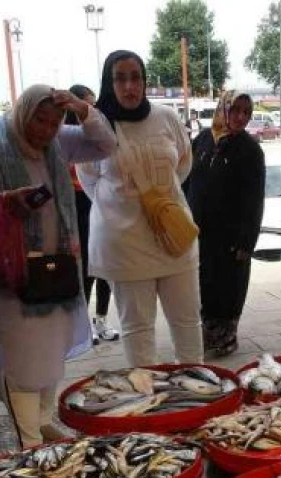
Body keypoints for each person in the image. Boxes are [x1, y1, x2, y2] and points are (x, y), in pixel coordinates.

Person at [0, 85, 116, 449]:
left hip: (55, 266)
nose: (45, 129)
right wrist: (5, 200)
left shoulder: (59, 142)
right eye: (39, 120)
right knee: (21, 353)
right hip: (11, 274)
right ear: (23, 112)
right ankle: (29, 440)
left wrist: (82, 110)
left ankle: (43, 422)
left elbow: (107, 145)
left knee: (51, 345)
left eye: (55, 121)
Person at [78, 50, 203, 366]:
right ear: (109, 82)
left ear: (145, 81)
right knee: (137, 331)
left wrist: (158, 201)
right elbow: (90, 181)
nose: (129, 86)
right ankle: (147, 406)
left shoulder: (166, 117)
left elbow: (184, 161)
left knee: (188, 325)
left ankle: (196, 400)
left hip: (174, 237)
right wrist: (126, 206)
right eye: (120, 78)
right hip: (126, 245)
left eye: (135, 77)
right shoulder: (98, 126)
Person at [186, 90, 266, 358]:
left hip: (232, 236)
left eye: (246, 112)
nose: (241, 117)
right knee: (203, 285)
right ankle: (204, 338)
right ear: (224, 109)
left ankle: (225, 340)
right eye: (236, 110)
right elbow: (186, 181)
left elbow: (255, 199)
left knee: (228, 288)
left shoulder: (250, 150)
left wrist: (247, 241)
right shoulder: (203, 141)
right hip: (200, 233)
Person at [64, 84, 119, 344]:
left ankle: (102, 320)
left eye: (93, 104)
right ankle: (83, 327)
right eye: (85, 104)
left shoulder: (98, 135)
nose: (91, 110)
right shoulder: (65, 137)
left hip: (97, 203)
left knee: (106, 264)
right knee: (86, 267)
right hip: (75, 204)